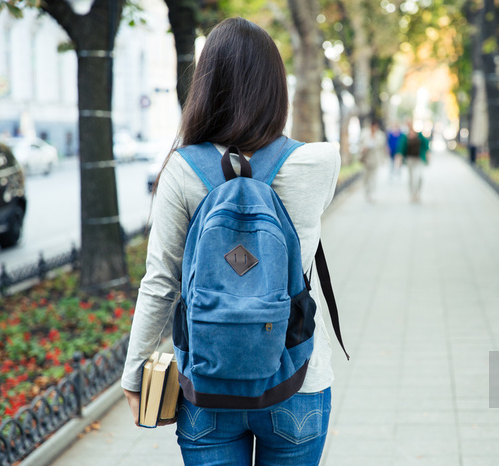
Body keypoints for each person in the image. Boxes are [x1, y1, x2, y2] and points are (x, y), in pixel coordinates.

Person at [120, 18, 340, 465]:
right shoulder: (319, 162)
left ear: (206, 86)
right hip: (295, 379)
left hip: (207, 385)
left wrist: (135, 372)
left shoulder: (182, 169)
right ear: (275, 89)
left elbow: (161, 280)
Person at [397, 123, 430, 202]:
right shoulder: (405, 137)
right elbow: (401, 149)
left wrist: (428, 158)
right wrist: (399, 159)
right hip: (410, 159)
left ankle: (417, 193)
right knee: (411, 178)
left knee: (420, 177)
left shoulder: (420, 136)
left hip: (419, 159)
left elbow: (426, 147)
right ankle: (412, 194)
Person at [358, 119, 386, 202]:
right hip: (366, 158)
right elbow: (360, 145)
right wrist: (363, 148)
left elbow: (382, 148)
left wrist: (383, 159)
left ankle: (372, 194)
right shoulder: (364, 133)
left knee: (374, 177)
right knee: (366, 177)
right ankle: (367, 192)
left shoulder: (380, 135)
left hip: (375, 158)